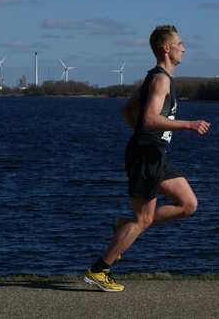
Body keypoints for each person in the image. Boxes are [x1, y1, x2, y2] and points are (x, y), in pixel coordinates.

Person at [84, 25, 211, 292]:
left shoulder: (156, 77)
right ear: (166, 48)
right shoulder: (160, 79)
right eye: (180, 43)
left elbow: (127, 110)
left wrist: (144, 135)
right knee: (142, 220)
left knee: (188, 204)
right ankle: (99, 270)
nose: (184, 48)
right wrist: (188, 125)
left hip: (153, 153)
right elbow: (150, 119)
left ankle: (124, 226)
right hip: (146, 155)